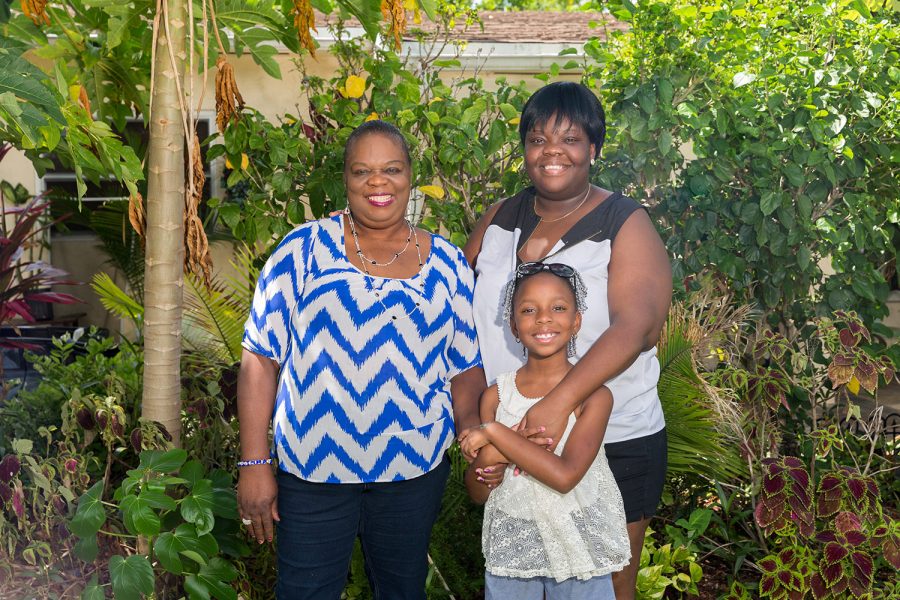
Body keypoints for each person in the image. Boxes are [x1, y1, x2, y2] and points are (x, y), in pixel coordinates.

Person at [237, 119, 484, 599]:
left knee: (401, 591)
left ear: (411, 176)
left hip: (412, 471)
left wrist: (473, 436)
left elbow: (465, 367)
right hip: (312, 471)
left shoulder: (449, 264)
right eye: (361, 171)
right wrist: (253, 460)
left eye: (391, 169)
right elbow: (259, 359)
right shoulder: (302, 251)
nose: (377, 182)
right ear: (345, 179)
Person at [463, 81, 672, 599]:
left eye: (571, 138)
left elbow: (638, 327)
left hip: (612, 438)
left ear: (594, 149)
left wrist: (559, 403)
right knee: (518, 578)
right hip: (511, 437)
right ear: (524, 150)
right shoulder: (498, 219)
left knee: (603, 586)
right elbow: (451, 319)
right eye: (538, 138)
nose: (552, 151)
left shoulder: (624, 222)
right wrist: (478, 427)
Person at [461, 263, 630, 599]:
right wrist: (494, 454)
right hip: (514, 554)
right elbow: (479, 492)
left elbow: (565, 477)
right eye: (528, 310)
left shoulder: (593, 396)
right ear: (513, 325)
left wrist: (495, 434)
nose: (543, 318)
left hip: (580, 555)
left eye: (558, 307)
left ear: (576, 320)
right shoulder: (495, 396)